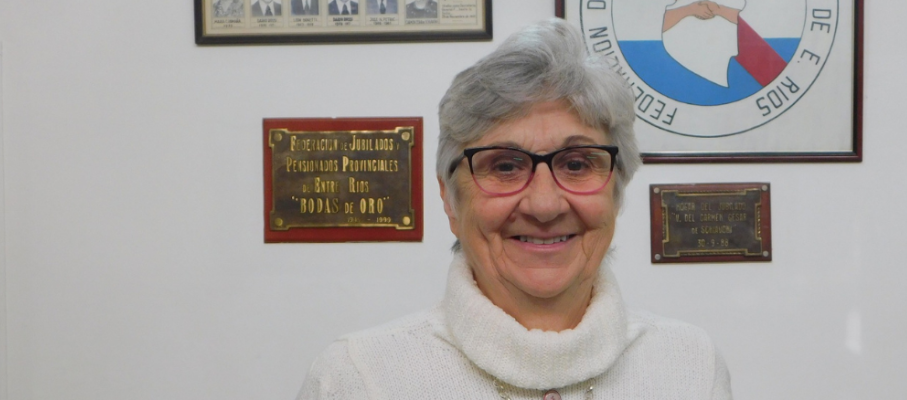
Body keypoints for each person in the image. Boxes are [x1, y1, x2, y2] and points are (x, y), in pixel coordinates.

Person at [295, 19, 733, 400]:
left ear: (616, 192)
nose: (544, 205)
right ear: (449, 199)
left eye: (576, 164)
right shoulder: (357, 378)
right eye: (505, 166)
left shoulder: (691, 368)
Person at [661, 0, 744, 87]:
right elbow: (654, 24)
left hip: (718, 69)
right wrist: (689, 9)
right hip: (676, 67)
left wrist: (718, 9)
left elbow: (749, 21)